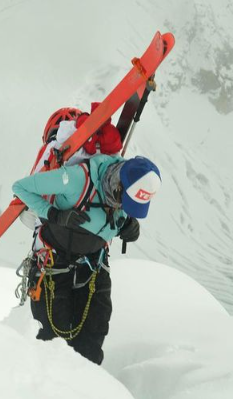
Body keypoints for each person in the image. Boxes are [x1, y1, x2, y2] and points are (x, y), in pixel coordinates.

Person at [12, 154, 161, 364]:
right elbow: (20, 187)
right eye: (127, 202)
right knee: (50, 342)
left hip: (93, 266)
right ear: (118, 184)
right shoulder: (77, 179)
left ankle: (86, 389)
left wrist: (128, 225)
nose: (124, 207)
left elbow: (117, 214)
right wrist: (54, 215)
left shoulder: (121, 191)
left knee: (92, 342)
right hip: (53, 264)